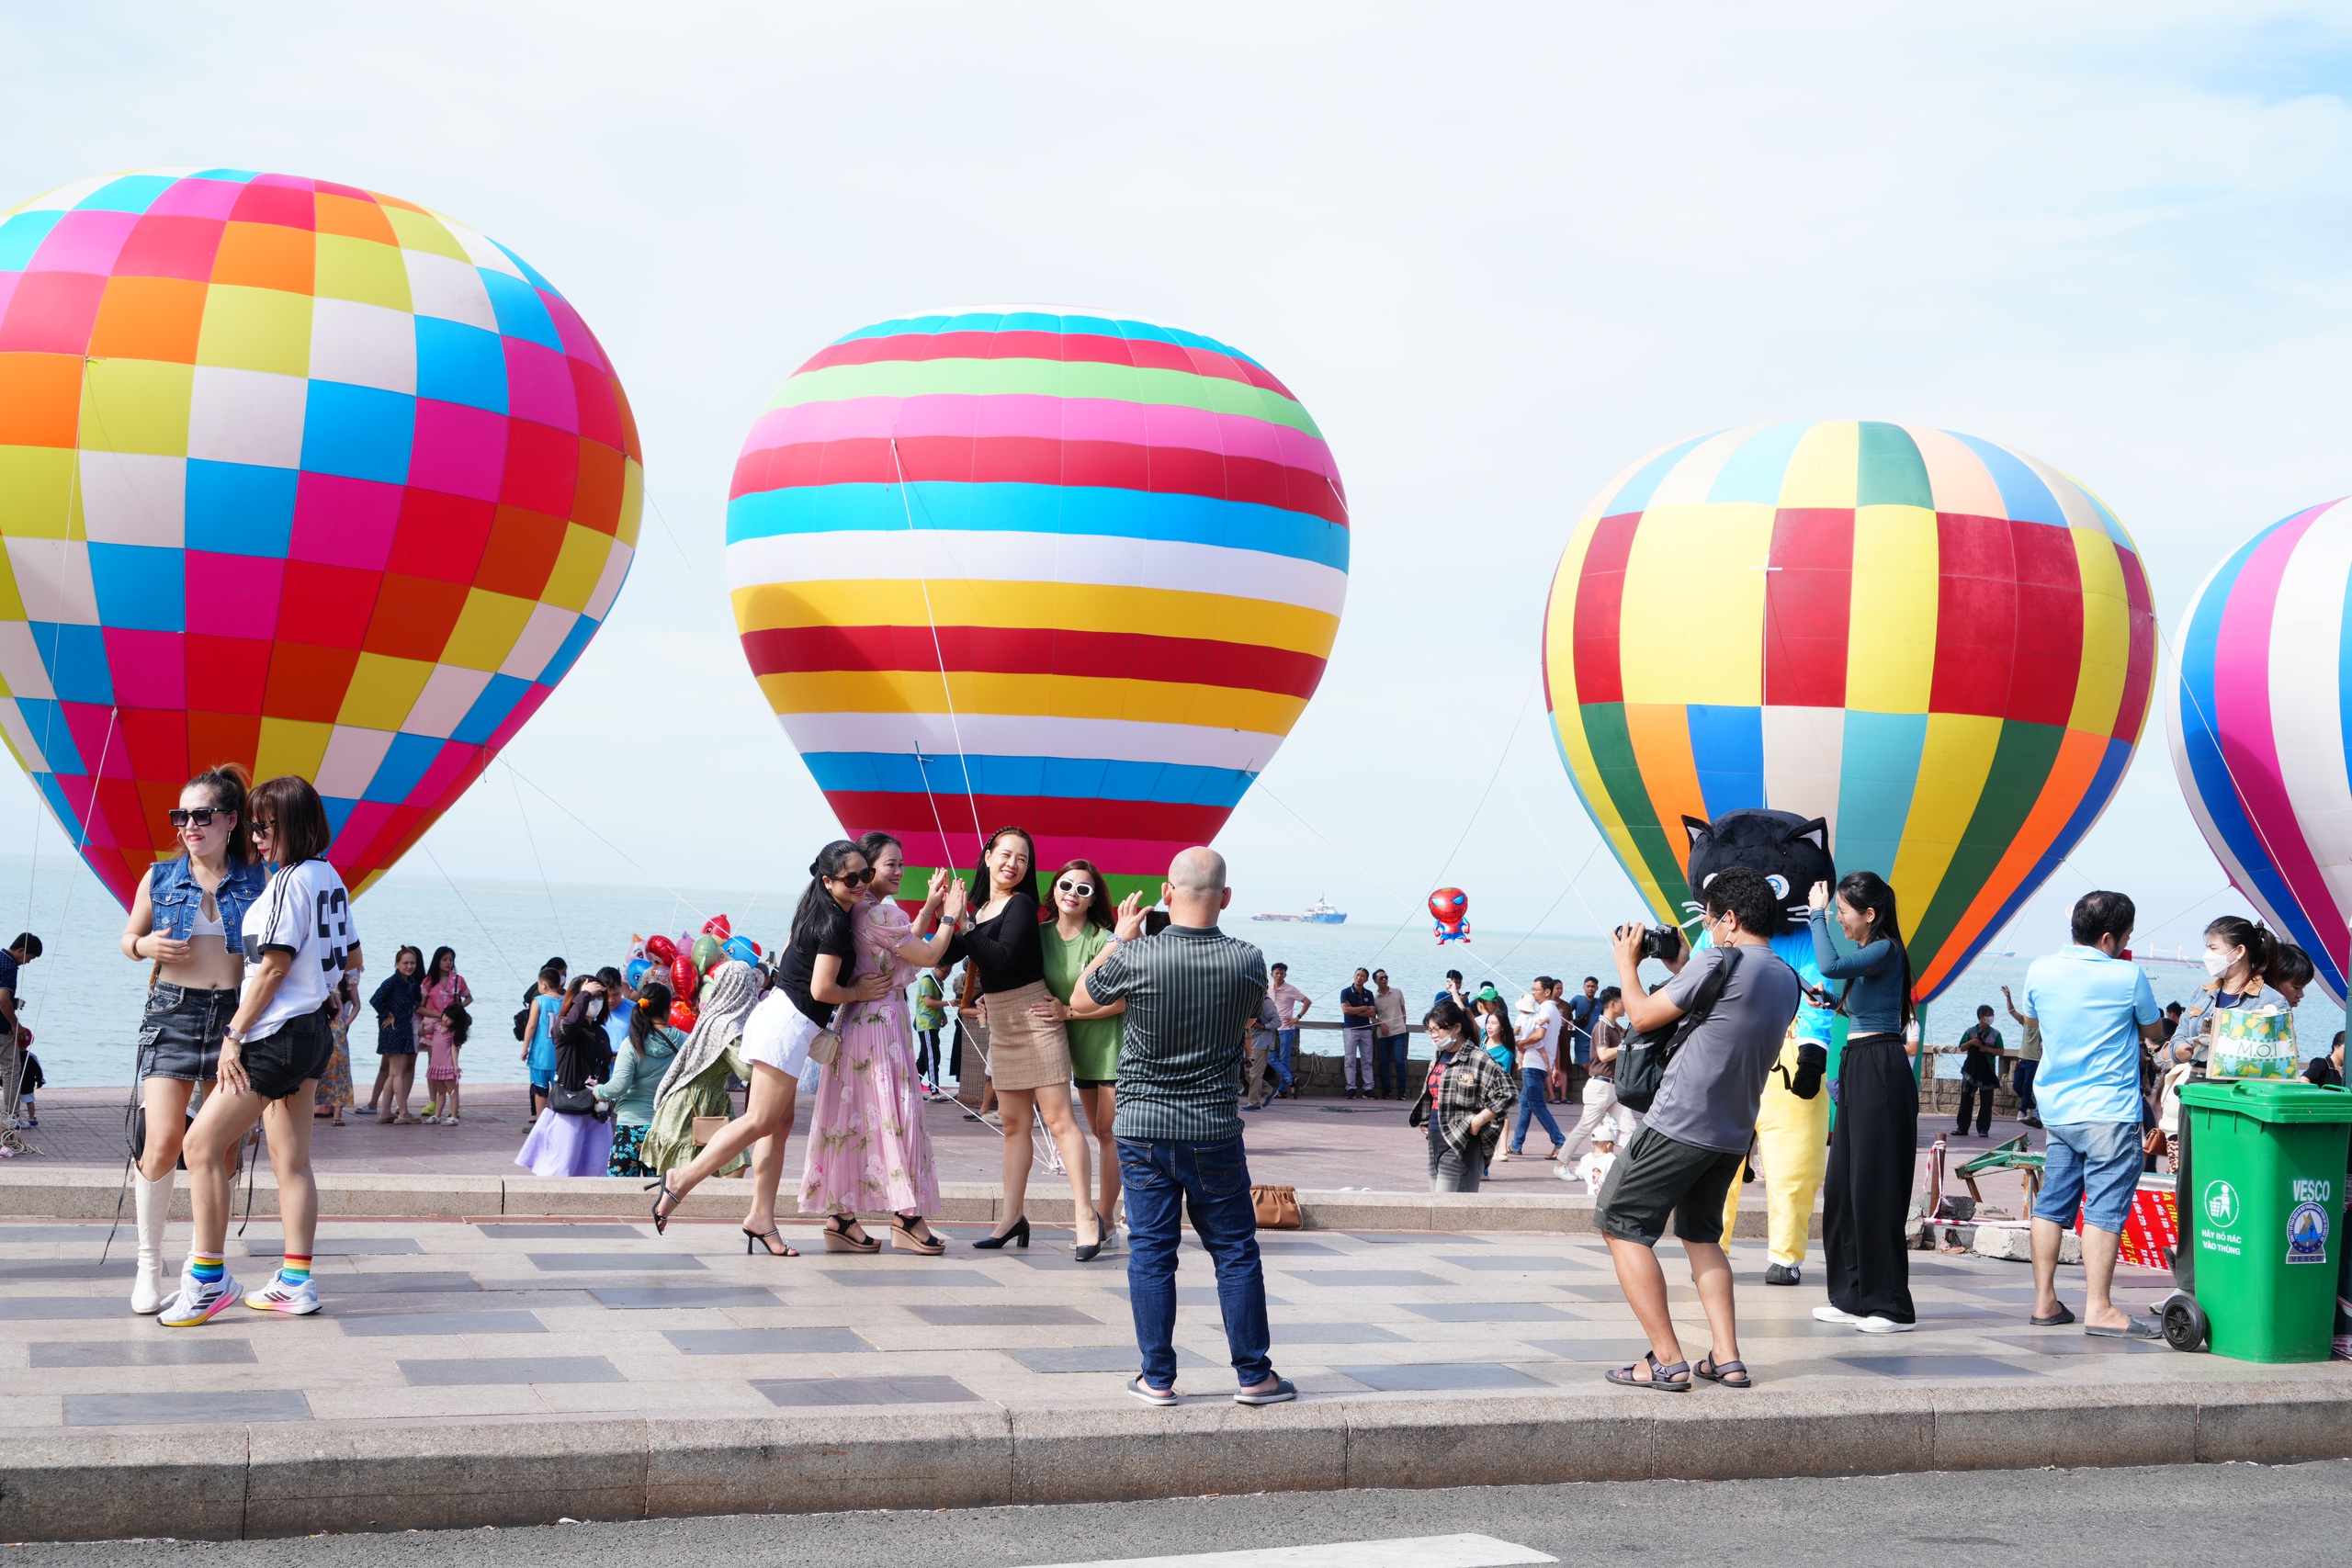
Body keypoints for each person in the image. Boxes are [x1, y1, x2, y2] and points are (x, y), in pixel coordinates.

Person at [1068, 846, 1294, 1407]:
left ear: (1166, 894)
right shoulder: (1247, 960)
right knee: (1235, 1250)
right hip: (1213, 1127)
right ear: (1228, 898)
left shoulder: (1138, 956)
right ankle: (1253, 1376)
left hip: (1142, 1124)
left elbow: (1078, 997)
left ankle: (1158, 1378)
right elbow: (1252, 1017)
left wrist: (1120, 939)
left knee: (1151, 1251)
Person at [1595, 865, 1799, 1391]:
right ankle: (1727, 1358)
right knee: (1701, 1235)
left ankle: (1665, 1359)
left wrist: (1627, 964)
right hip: (1732, 1131)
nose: (1708, 929)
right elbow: (1728, 1011)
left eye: (1710, 920)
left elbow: (1640, 1016)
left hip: (1679, 1121)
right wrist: (1682, 963)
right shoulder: (1785, 978)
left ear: (1729, 919)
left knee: (1619, 1222)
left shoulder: (1717, 959)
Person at [162, 775, 356, 1325]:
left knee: (200, 1145)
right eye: (253, 825)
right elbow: (348, 951)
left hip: (274, 1034)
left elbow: (273, 966)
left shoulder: (291, 881)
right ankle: (295, 1281)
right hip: (313, 1031)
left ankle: (208, 1278)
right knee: (290, 1161)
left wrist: (234, 1037)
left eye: (266, 825)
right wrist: (346, 988)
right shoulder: (329, 876)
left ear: (293, 824)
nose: (258, 835)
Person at [653, 845, 899, 1255]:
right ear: (827, 881)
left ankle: (760, 1218)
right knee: (759, 1120)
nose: (860, 883)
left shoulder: (816, 909)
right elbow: (822, 989)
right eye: (850, 878)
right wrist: (857, 990)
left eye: (864, 873)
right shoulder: (833, 923)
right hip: (786, 1026)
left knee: (776, 1126)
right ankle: (681, 1181)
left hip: (784, 1022)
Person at [117, 766, 266, 1315]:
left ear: (230, 820)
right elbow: (128, 939)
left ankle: (203, 1266)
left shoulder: (259, 878)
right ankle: (148, 1264)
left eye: (202, 815)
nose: (189, 826)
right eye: (181, 816)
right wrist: (146, 946)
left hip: (233, 1022)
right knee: (161, 1143)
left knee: (222, 1149)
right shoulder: (158, 877)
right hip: (173, 1017)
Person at [798, 830, 961, 1255]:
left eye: (900, 864)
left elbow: (900, 941)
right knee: (897, 1110)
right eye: (890, 864)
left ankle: (842, 1218)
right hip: (883, 1023)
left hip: (857, 1021)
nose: (899, 871)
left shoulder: (858, 912)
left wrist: (926, 909)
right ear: (866, 870)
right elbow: (926, 956)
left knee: (855, 1117)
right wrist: (950, 917)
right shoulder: (879, 915)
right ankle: (907, 1217)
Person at [2017, 890, 2166, 1338]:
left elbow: (2031, 1022)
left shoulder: (2039, 968)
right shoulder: (2128, 975)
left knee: (2051, 1204)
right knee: (2104, 1209)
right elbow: (2154, 1030)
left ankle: (2045, 1301)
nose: (2124, 944)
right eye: (2124, 936)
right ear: (2107, 937)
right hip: (2109, 1113)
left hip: (2059, 1109)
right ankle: (2099, 1308)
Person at [951, 826, 1102, 1257]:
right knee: (1014, 1125)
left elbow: (1001, 957)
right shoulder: (979, 910)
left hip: (1035, 1017)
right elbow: (950, 956)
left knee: (1059, 1122)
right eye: (1005, 854)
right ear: (987, 856)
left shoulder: (1020, 905)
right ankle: (1011, 1217)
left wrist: (962, 923)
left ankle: (1085, 1216)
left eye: (1022, 858)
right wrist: (943, 913)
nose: (1012, 863)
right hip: (1001, 1020)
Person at [1805, 871, 1918, 1328]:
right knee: (1842, 1188)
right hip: (1857, 1059)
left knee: (1876, 1186)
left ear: (1869, 914)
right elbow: (1858, 1004)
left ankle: (1891, 1304)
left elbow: (1830, 965)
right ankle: (1851, 1295)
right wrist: (1832, 1004)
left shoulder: (1886, 948)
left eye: (1842, 912)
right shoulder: (1868, 954)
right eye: (1834, 912)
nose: (1838, 918)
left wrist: (1815, 916)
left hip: (1881, 1064)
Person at [1040, 857, 1125, 1240]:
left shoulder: (1105, 940)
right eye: (1066, 885)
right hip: (1068, 1050)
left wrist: (1069, 1013)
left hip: (1109, 1044)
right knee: (1094, 1129)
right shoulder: (1037, 936)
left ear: (1093, 900)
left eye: (1083, 889)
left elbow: (1124, 1001)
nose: (1072, 893)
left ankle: (1106, 1217)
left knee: (1108, 1132)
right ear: (1054, 889)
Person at [1410, 996, 1517, 1191]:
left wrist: (1477, 1121)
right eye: (1429, 1030)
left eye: (1437, 1029)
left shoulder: (1477, 1058)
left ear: (1456, 1028)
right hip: (1435, 1138)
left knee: (1450, 1209)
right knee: (1436, 1206)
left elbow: (1507, 1093)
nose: (1433, 1035)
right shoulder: (1438, 1057)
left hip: (1462, 1141)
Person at [516, 974, 618, 1177]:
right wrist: (584, 995)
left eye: (599, 996)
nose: (594, 1001)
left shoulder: (600, 1033)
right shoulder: (563, 1026)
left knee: (597, 1168)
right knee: (562, 1168)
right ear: (576, 998)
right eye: (590, 996)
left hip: (596, 1110)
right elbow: (570, 1026)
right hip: (570, 1108)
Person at [598, 979, 680, 1177]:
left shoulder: (632, 1043)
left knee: (621, 1194)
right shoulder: (685, 1040)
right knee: (662, 1193)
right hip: (666, 1128)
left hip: (630, 1128)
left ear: (641, 1008)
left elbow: (618, 1086)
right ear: (669, 1009)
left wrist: (598, 1091)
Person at [1560, 986, 1634, 1176]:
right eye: (1622, 1002)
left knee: (1631, 1128)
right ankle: (1561, 1164)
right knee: (1585, 1127)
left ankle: (1624, 1170)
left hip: (1613, 1087)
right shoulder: (1602, 1026)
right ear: (1612, 1004)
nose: (1625, 1005)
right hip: (1600, 1086)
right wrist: (1624, 1047)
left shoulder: (1615, 1027)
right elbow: (1602, 1055)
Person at [1507, 977, 1566, 1160]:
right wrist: (1554, 1067)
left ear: (1546, 992)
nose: (1533, 993)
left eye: (1535, 990)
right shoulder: (1555, 1011)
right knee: (1526, 1104)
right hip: (1541, 1064)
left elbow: (1539, 1035)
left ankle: (1560, 1141)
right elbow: (1553, 1041)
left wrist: (1521, 1043)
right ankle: (1516, 1145)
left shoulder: (1543, 1010)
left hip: (1533, 1063)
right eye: (1532, 990)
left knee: (1537, 1105)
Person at [368, 948, 425, 1125]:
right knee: (399, 1073)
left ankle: (385, 1112)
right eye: (405, 963)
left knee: (393, 1074)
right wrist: (387, 1014)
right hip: (393, 1031)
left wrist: (436, 1015)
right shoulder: (392, 982)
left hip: (405, 1030)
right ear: (397, 964)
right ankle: (404, 1113)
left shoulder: (412, 984)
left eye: (412, 963)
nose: (409, 966)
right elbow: (375, 999)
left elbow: (417, 1004)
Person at [416, 947, 471, 1125]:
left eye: (451, 959)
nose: (448, 963)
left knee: (451, 1066)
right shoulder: (428, 981)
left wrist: (456, 1012)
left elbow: (469, 998)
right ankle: (434, 1103)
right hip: (434, 1027)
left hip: (452, 1029)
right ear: (437, 961)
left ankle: (454, 1106)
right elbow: (419, 1006)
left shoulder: (458, 981)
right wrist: (437, 1016)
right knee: (434, 1066)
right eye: (445, 959)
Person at [0, 931, 40, 1138]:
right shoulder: (9, 966)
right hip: (1, 1028)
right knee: (12, 1069)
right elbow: (2, 999)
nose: (28, 962)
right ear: (22, 951)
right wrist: (16, 1025)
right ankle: (11, 1115)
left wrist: (14, 1002)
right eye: (30, 958)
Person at [519, 963, 564, 1122]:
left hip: (540, 1055)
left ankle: (540, 1121)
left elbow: (531, 1026)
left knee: (540, 1089)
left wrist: (525, 1048)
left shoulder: (538, 1001)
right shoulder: (566, 1001)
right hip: (560, 1056)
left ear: (543, 985)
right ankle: (558, 1121)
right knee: (559, 1090)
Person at [1952, 1005, 2004, 1138]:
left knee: (1986, 1101)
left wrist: (1987, 1049)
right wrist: (1971, 1042)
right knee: (1966, 1099)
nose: (1991, 1018)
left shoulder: (1996, 1034)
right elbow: (1962, 1047)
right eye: (1989, 1015)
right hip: (1972, 1069)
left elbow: (2001, 1051)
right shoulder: (1970, 1031)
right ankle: (1962, 1127)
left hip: (1988, 1069)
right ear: (1981, 1017)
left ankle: (1983, 1129)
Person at [2000, 984, 2043, 1128]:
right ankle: (2032, 1106)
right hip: (2022, 1059)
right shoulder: (2026, 1022)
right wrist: (2009, 997)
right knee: (2017, 1086)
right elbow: (2012, 1011)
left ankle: (2022, 1111)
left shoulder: (2043, 1025)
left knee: (2026, 1087)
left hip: (2034, 1061)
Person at [316, 974, 356, 1126]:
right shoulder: (321, 976)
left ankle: (338, 1114)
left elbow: (357, 1004)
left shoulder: (348, 980)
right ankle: (313, 1107)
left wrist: (346, 1023)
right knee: (318, 1068)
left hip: (339, 1031)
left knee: (340, 1070)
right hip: (321, 1027)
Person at [1266, 964, 1311, 1097]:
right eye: (1277, 973)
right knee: (1271, 1058)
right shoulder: (1267, 987)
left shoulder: (1290, 989)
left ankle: (1282, 1090)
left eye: (1282, 973)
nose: (1279, 975)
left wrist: (1297, 1017)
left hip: (1286, 1029)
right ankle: (1291, 1080)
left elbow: (1307, 1002)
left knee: (1284, 1059)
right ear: (1272, 974)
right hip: (1272, 1029)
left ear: (1285, 975)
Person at [1370, 968, 1410, 1100]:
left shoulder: (1397, 992)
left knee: (1399, 1062)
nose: (1384, 980)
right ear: (1375, 981)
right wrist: (1381, 1023)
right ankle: (1386, 1091)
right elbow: (1372, 1017)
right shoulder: (1374, 997)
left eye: (1386, 977)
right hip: (1383, 1034)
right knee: (1383, 1063)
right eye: (1381, 978)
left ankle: (1402, 1091)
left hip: (1399, 1032)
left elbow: (1403, 1009)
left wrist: (1403, 1024)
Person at [1242, 988, 1283, 1111]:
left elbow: (1277, 1022)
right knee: (1245, 1071)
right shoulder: (1254, 1003)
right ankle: (1269, 1091)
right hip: (1251, 1042)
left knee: (1255, 1073)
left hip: (1261, 1043)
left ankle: (1254, 1103)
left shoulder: (1266, 1003)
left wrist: (1263, 1026)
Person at [1338, 967, 1376, 1098]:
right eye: (1357, 975)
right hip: (1351, 1029)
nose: (1359, 978)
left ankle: (1368, 1088)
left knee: (1368, 1060)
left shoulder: (1369, 993)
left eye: (1362, 976)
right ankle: (1351, 1088)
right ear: (1354, 976)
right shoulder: (1346, 992)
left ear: (1366, 979)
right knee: (1350, 1059)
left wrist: (1355, 1009)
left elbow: (1372, 1012)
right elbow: (1346, 1011)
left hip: (1366, 1029)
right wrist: (1364, 1008)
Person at [1562, 976, 1600, 1102]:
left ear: (1597, 988)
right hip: (1581, 1041)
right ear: (1584, 987)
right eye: (1588, 986)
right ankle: (1598, 1090)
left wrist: (1619, 1028)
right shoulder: (1577, 1000)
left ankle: (1596, 1092)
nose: (1590, 989)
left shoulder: (1600, 1003)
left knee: (1598, 1066)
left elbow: (1608, 1018)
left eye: (1593, 986)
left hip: (1595, 1041)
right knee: (1586, 1066)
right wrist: (1571, 1020)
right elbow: (1567, 1011)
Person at [913, 963, 948, 1096]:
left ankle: (911, 1087)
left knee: (923, 1059)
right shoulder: (927, 981)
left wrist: (943, 1013)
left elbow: (937, 1000)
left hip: (933, 1024)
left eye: (948, 972)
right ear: (936, 968)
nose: (946, 975)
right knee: (933, 1058)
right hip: (926, 1024)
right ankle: (934, 1091)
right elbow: (928, 1002)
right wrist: (950, 1002)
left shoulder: (939, 982)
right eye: (944, 971)